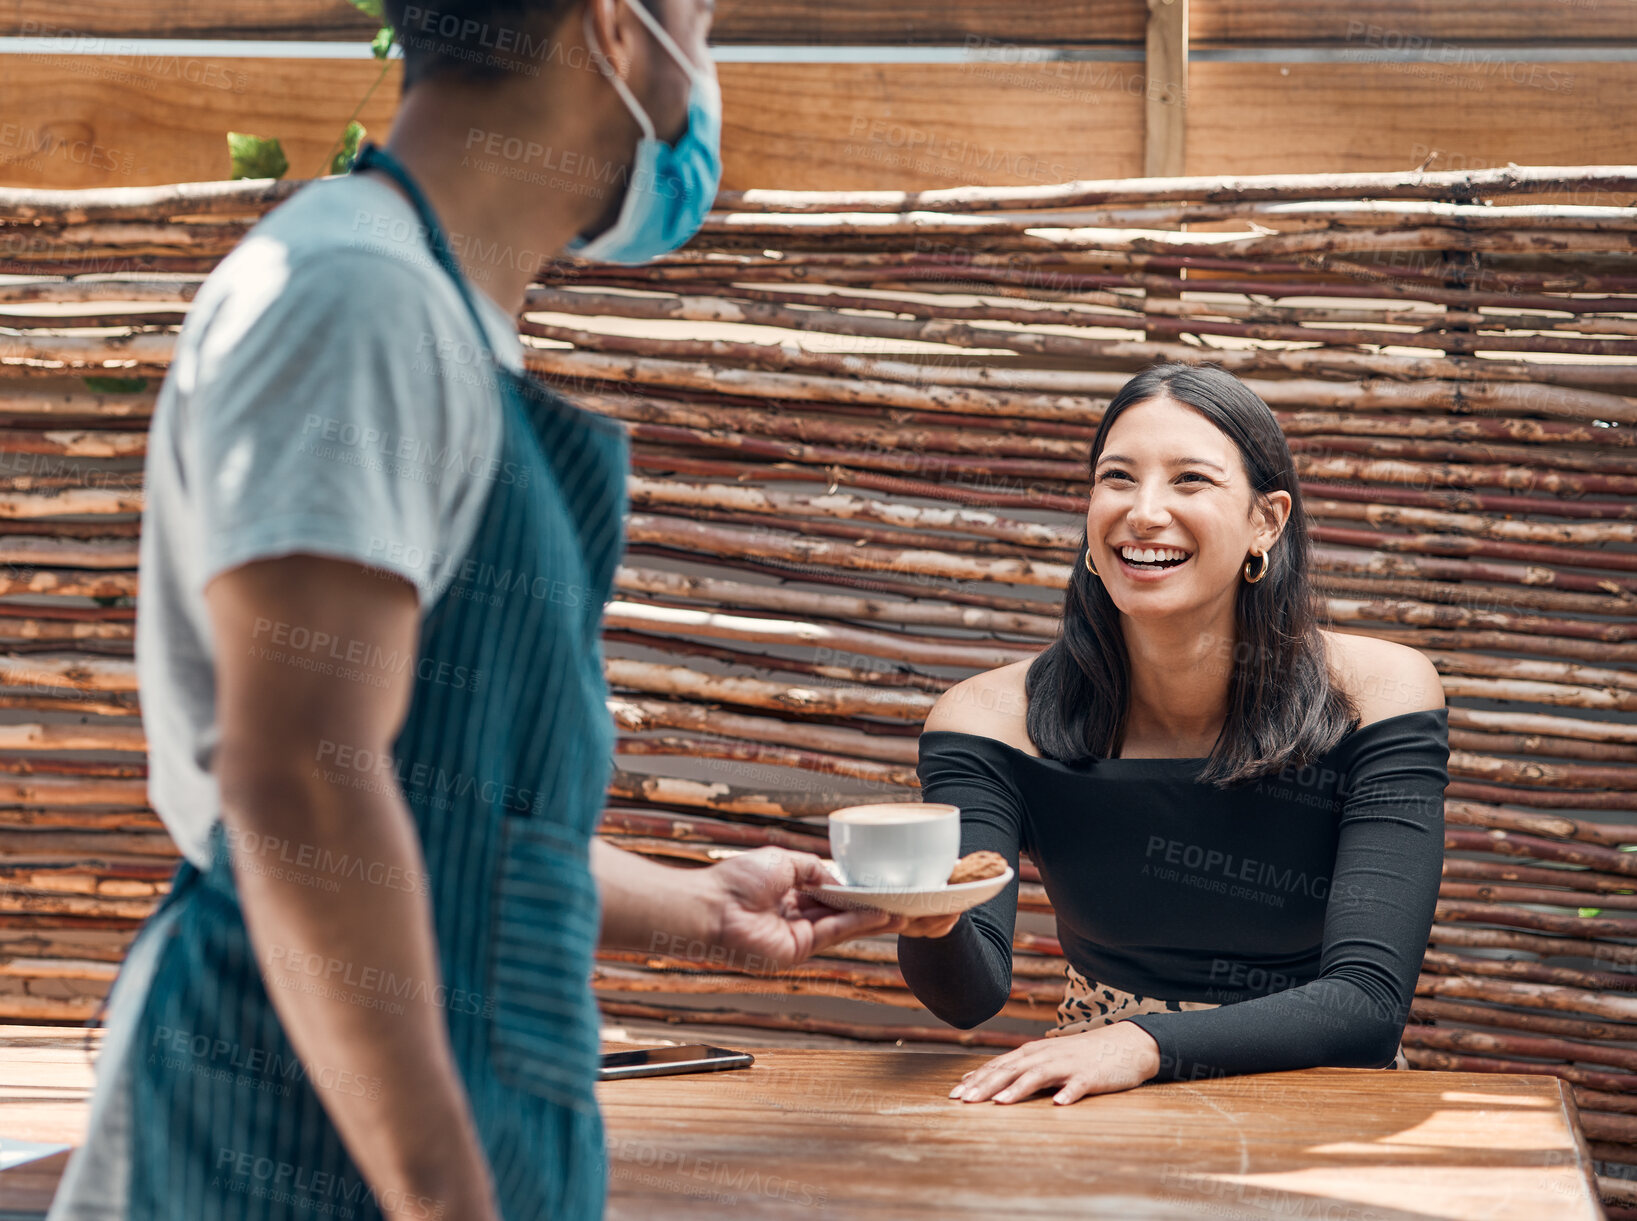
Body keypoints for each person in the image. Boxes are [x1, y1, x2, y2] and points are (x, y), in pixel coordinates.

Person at [49, 3, 905, 1219]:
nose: (708, 81)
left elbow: (438, 811)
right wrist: (447, 1198)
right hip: (295, 1128)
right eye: (702, 25)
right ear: (615, 29)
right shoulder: (354, 295)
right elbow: (302, 777)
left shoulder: (433, 315)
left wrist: (703, 909)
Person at [896, 362, 1449, 1105]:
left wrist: (1142, 1041)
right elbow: (969, 996)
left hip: (1321, 1094)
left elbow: (1365, 1004)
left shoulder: (1378, 695)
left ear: (1267, 521)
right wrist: (928, 922)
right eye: (1117, 478)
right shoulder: (986, 718)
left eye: (1190, 479)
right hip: (1091, 1097)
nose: (1144, 511)